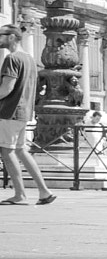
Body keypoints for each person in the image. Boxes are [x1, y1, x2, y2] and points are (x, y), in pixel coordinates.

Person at [0, 25, 55, 206]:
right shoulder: (30, 59)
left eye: (1, 35)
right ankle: (44, 191)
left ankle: (20, 194)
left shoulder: (12, 58)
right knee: (20, 150)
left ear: (12, 37)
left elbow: (7, 88)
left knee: (7, 152)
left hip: (10, 110)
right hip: (24, 111)